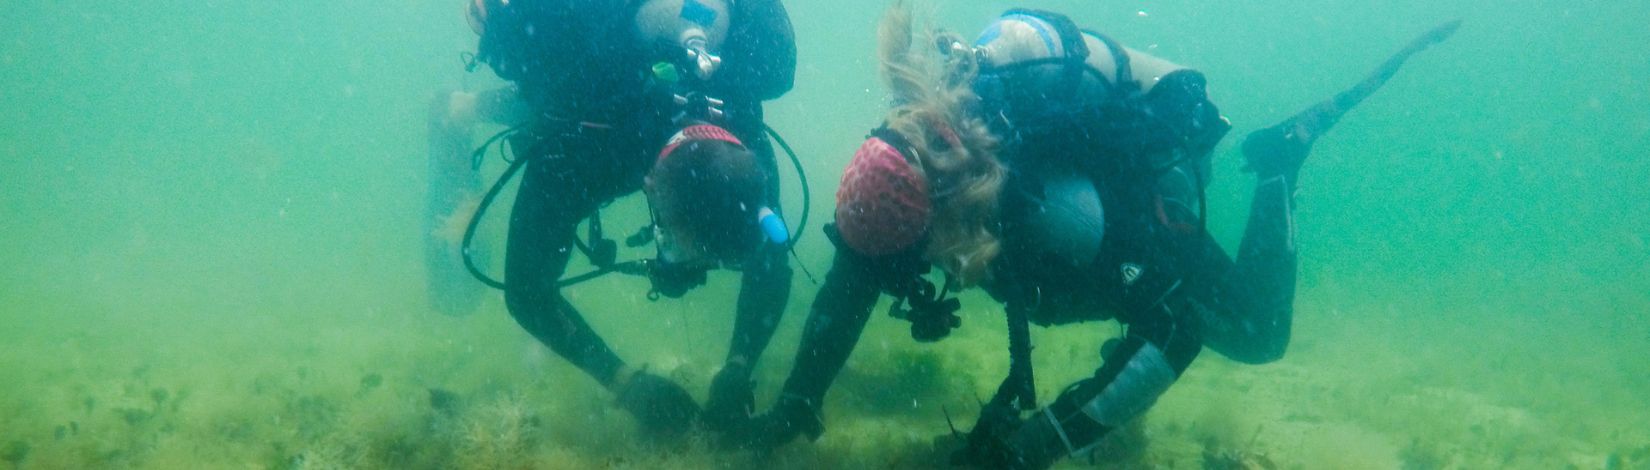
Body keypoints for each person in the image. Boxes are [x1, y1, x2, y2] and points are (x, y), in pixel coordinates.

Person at [729, 4, 1457, 468]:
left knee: (1256, 331)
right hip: (1072, 217)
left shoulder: (1053, 216)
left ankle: (1278, 162)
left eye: (904, 259)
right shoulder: (912, 166)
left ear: (938, 220)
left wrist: (1038, 444)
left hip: (1131, 217)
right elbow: (858, 273)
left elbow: (1174, 331)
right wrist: (797, 400)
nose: (897, 278)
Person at [428, 0, 798, 439]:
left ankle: (469, 105)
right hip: (586, 82)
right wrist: (623, 382)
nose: (685, 264)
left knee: (583, 85)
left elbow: (771, 262)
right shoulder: (579, 153)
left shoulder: (743, 144)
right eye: (676, 245)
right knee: (548, 98)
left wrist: (739, 366)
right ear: (651, 186)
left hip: (608, 75)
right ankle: (454, 110)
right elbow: (526, 293)